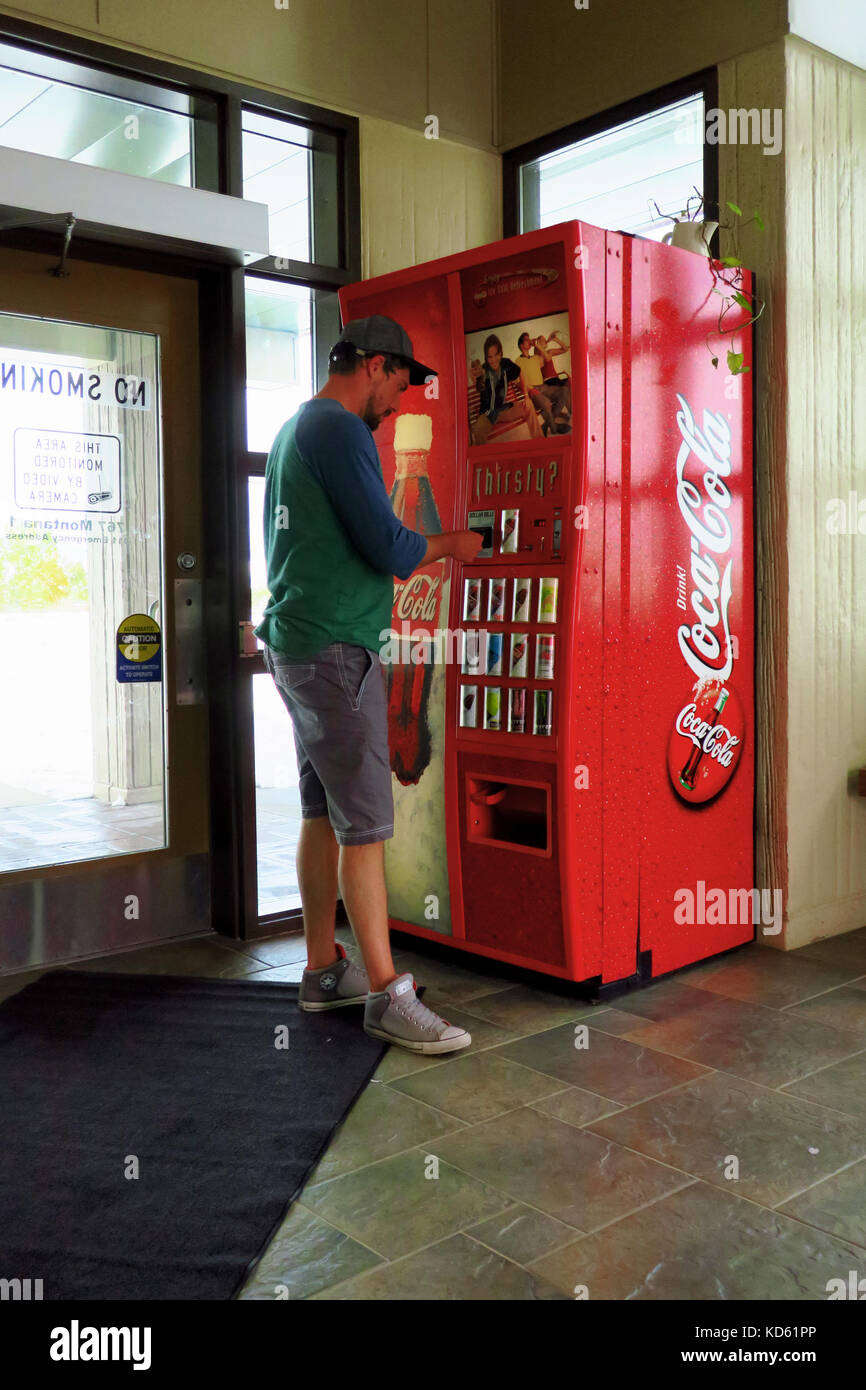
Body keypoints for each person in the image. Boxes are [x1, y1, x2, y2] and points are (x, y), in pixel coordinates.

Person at [255, 315, 482, 1054]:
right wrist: (458, 544)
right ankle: (388, 995)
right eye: (403, 384)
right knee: (367, 825)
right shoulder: (341, 430)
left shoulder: (296, 428)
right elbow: (389, 546)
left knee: (321, 811)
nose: (401, 404)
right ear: (376, 366)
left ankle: (323, 969)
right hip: (335, 649)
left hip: (296, 644)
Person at [469, 333, 538, 443]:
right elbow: (479, 388)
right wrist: (474, 379)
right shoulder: (483, 369)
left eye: (496, 355)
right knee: (478, 431)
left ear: (500, 354)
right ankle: (485, 459)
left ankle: (539, 442)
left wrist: (526, 396)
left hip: (504, 409)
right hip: (487, 414)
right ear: (486, 357)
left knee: (528, 407)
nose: (493, 360)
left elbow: (521, 373)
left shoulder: (506, 363)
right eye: (489, 357)